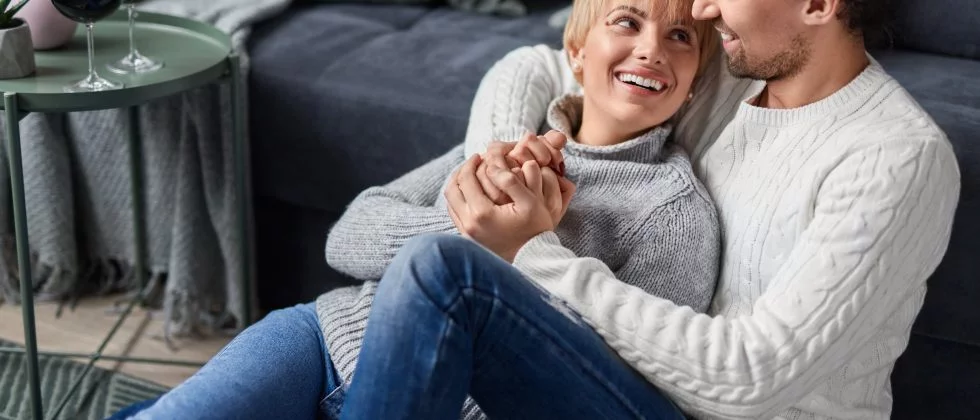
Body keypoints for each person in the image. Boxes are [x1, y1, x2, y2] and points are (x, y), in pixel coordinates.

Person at [339, 0, 961, 419]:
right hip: (625, 385)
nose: (704, 8)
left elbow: (748, 380)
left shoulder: (894, 158)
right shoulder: (734, 75)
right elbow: (542, 63)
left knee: (446, 269)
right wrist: (501, 181)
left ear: (819, 4)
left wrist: (529, 250)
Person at [115, 0, 723, 419]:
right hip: (325, 343)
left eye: (680, 37)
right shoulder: (502, 145)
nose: (651, 50)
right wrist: (470, 222)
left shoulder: (672, 211)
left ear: (696, 81)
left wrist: (526, 248)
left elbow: (605, 381)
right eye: (627, 22)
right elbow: (347, 237)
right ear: (577, 53)